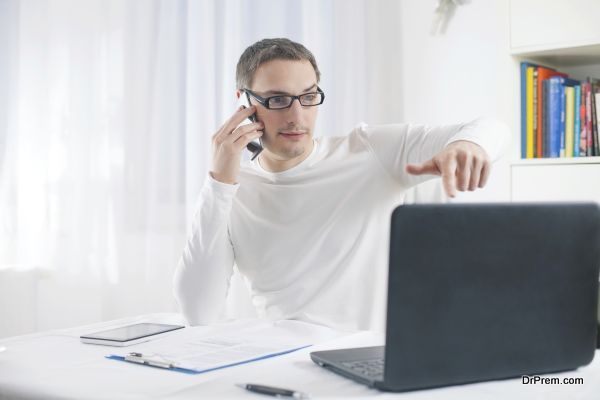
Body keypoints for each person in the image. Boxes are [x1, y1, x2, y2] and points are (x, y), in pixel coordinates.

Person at [174, 38, 509, 332]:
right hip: (284, 363)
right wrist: (219, 182)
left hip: (371, 358)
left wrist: (469, 145)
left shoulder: (369, 150)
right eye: (277, 100)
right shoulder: (229, 191)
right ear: (244, 104)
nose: (297, 116)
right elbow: (198, 312)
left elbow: (492, 127)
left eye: (307, 96)